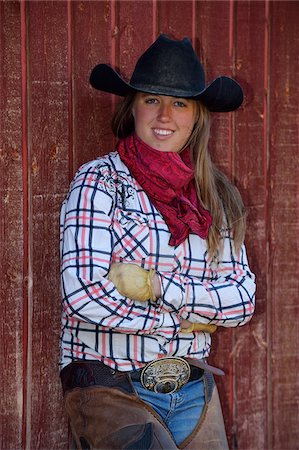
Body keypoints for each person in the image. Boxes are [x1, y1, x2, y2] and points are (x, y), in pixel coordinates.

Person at [59, 34, 256, 450]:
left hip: (192, 386)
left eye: (180, 103)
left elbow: (241, 299)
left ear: (197, 116)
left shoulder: (212, 197)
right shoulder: (100, 181)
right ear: (132, 108)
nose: (165, 114)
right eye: (152, 99)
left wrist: (161, 288)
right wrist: (180, 321)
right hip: (112, 384)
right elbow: (85, 293)